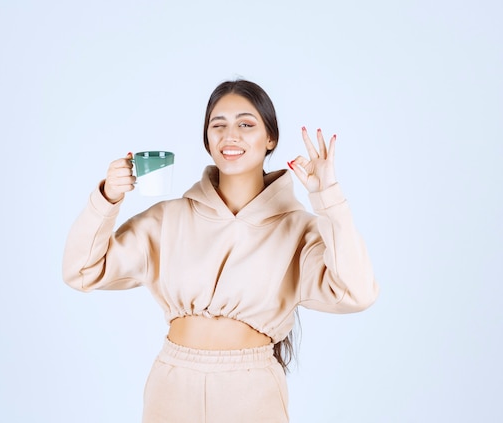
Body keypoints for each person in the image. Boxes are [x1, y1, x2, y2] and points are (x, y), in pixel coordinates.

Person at [62, 79, 379, 422]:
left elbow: (356, 293)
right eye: (219, 125)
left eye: (246, 124)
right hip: (172, 385)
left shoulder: (298, 228)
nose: (231, 136)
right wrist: (106, 197)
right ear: (207, 138)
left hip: (252, 391)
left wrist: (328, 197)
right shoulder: (169, 218)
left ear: (270, 138)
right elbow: (82, 271)